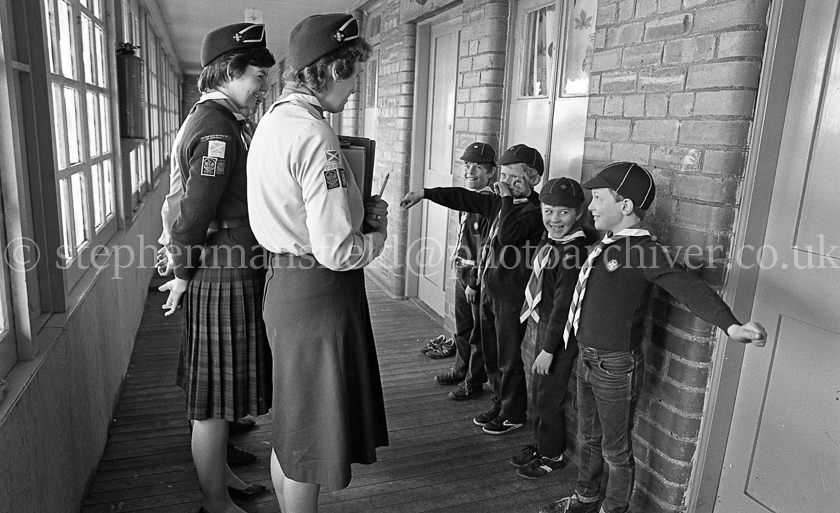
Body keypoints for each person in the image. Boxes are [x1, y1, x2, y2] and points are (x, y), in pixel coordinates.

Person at [540, 162, 767, 513]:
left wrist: (731, 324)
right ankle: (585, 498)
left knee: (615, 450)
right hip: (587, 357)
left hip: (615, 366)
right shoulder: (606, 242)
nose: (592, 206)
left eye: (598, 198)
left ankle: (612, 509)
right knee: (588, 437)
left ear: (625, 206)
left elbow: (687, 286)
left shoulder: (645, 251)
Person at [246, 13, 389, 513]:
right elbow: (337, 251)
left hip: (282, 285)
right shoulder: (316, 137)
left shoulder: (271, 121)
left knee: (291, 426)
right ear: (331, 70)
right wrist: (377, 234)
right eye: (353, 76)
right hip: (319, 293)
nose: (353, 91)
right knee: (309, 440)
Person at [158, 23, 275, 513]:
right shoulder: (217, 128)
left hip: (226, 263)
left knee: (221, 394)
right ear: (228, 71)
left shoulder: (217, 118)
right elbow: (193, 213)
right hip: (221, 266)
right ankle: (216, 503)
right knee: (211, 402)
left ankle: (221, 479)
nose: (262, 86)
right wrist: (182, 274)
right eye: (256, 75)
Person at [401, 144, 545, 434]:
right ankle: (499, 402)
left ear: (534, 179)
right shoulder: (498, 202)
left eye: (515, 178)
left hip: (510, 297)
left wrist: (505, 197)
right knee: (490, 354)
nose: (506, 183)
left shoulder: (533, 210)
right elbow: (463, 198)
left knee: (507, 358)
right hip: (490, 291)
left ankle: (514, 412)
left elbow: (507, 234)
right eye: (504, 176)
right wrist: (426, 193)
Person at [510, 177, 594, 479]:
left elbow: (562, 307)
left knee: (548, 397)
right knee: (539, 391)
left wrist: (548, 349)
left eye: (563, 213)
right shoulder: (554, 242)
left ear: (579, 214)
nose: (554, 219)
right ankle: (541, 443)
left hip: (560, 336)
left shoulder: (572, 252)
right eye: (548, 211)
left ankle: (552, 456)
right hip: (546, 327)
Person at [432, 142, 496, 400]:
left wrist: (474, 282)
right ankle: (459, 369)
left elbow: (486, 247)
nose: (470, 171)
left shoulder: (489, 202)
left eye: (478, 166)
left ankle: (474, 381)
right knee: (462, 329)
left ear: (491, 172)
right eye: (467, 165)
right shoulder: (469, 199)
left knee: (477, 333)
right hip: (462, 272)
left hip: (475, 278)